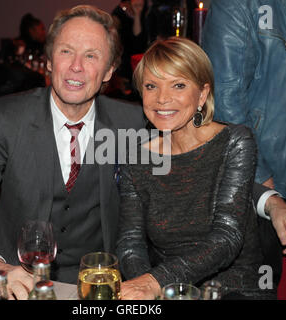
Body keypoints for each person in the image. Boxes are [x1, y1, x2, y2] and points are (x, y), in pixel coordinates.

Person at [0, 5, 286, 300]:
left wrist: (270, 201)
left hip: (100, 286)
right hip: (19, 281)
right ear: (49, 61)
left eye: (92, 56)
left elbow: (202, 155)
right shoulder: (6, 118)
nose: (77, 67)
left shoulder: (135, 123)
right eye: (66, 52)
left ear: (110, 71)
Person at [116, 36, 275, 300]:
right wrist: (144, 290)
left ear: (202, 94)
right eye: (151, 86)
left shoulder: (234, 141)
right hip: (169, 293)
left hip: (235, 290)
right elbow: (130, 243)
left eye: (178, 85)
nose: (162, 98)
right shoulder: (136, 157)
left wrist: (155, 282)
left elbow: (227, 237)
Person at [202, 0, 286, 299]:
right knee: (260, 278)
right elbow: (224, 103)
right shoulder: (237, 4)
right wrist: (258, 175)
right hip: (265, 158)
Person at [110, 0, 149, 99]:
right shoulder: (119, 13)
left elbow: (138, 39)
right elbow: (113, 42)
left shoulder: (146, 11)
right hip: (124, 66)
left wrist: (137, 15)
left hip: (141, 62)